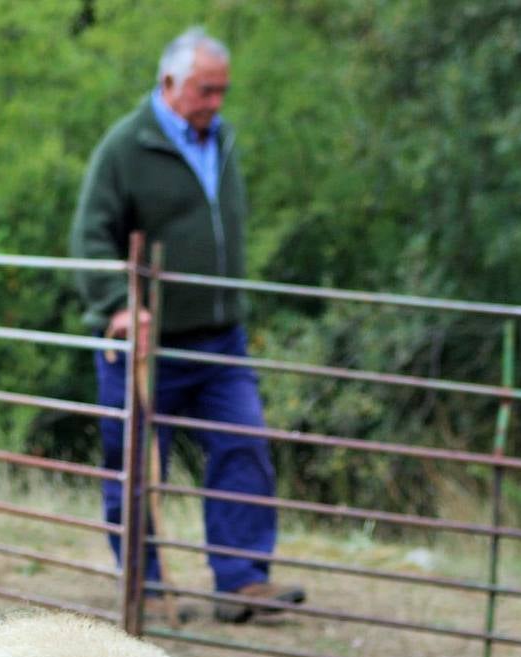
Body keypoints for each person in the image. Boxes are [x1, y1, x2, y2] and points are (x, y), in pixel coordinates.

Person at [70, 26, 305, 623]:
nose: (216, 102)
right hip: (148, 343)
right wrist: (119, 302)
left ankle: (242, 581)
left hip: (220, 335)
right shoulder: (126, 147)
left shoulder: (220, 139)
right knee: (138, 465)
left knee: (243, 444)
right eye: (206, 90)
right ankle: (144, 587)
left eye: (222, 91)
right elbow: (89, 237)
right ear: (170, 82)